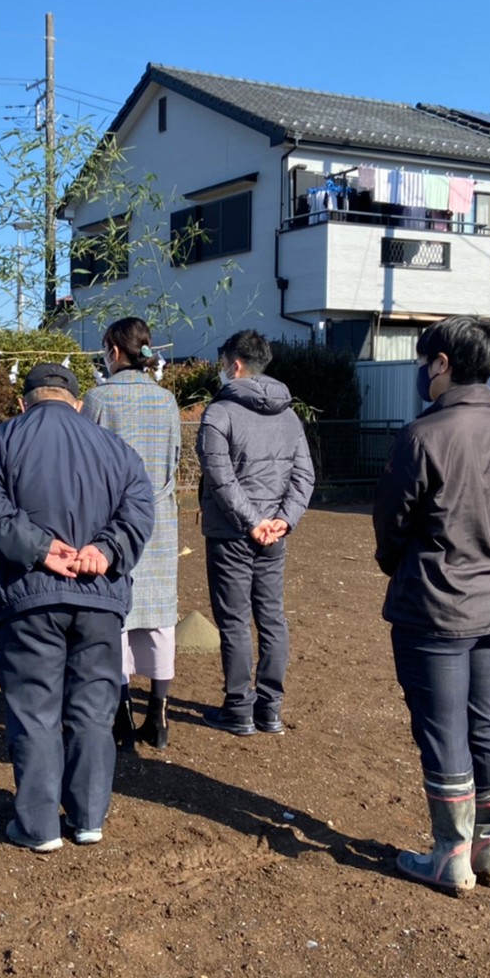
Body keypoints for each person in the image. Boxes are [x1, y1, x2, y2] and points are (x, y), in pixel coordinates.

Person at [372, 315, 490, 895]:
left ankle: (450, 854)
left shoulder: (423, 436)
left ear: (442, 363)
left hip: (436, 605)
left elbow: (391, 523)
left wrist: (395, 563)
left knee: (443, 727)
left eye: (425, 360)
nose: (423, 370)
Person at [0, 362, 155, 851]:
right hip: (98, 596)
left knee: (34, 709)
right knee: (94, 709)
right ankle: (89, 817)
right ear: (77, 401)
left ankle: (38, 826)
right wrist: (107, 549)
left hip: (27, 596)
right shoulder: (116, 449)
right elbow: (139, 507)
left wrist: (40, 547)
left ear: (24, 401)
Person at [197, 329, 314, 736]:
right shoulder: (288, 414)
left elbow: (220, 478)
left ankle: (239, 708)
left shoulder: (219, 413)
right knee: (271, 617)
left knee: (233, 621)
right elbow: (304, 475)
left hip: (231, 533)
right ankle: (270, 708)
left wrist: (252, 521)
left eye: (223, 362)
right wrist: (284, 519)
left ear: (236, 365)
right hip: (273, 534)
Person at [82, 318, 181, 751]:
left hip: (112, 521)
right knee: (159, 617)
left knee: (116, 616)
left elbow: (85, 464)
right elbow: (175, 458)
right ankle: (158, 715)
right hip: (159, 517)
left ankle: (121, 713)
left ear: (115, 352)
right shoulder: (167, 401)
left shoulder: (99, 399)